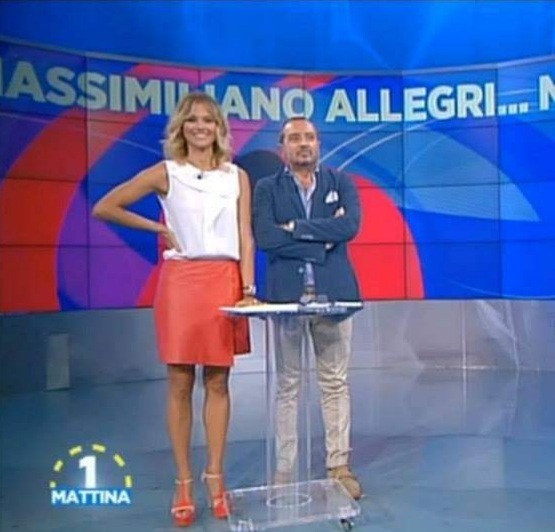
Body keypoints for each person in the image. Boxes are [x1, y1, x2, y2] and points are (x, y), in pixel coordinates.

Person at [93, 92, 257, 527]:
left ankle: (215, 477)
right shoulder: (168, 172)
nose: (201, 127)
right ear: (181, 127)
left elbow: (246, 236)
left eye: (208, 120)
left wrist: (248, 288)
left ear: (219, 128)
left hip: (225, 280)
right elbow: (106, 206)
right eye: (192, 120)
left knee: (218, 381)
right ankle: (183, 481)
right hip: (182, 282)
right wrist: (159, 227)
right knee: (180, 382)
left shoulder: (236, 176)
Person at [252, 116, 362, 499]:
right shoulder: (266, 188)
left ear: (319, 144)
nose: (303, 143)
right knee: (288, 386)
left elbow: (350, 227)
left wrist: (294, 229)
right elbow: (266, 237)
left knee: (335, 383)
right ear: (282, 147)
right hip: (287, 300)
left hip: (334, 298)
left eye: (310, 137)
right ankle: (285, 470)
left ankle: (339, 466)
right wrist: (321, 240)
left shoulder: (340, 183)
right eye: (295, 138)